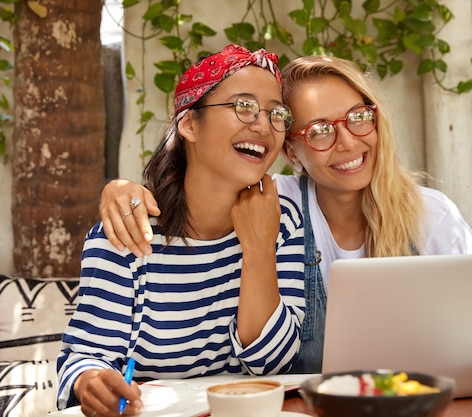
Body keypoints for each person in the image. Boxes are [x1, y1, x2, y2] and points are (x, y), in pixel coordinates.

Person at [99, 54, 472, 375]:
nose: (348, 141)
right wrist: (121, 190)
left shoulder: (430, 213)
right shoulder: (273, 205)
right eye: (319, 130)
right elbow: (198, 191)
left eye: (358, 117)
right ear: (292, 153)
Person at [57, 44, 306, 416]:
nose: (263, 124)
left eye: (276, 113)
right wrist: (90, 382)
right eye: (243, 105)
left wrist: (259, 249)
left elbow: (273, 364)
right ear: (189, 124)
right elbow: (83, 359)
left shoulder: (283, 221)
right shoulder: (129, 230)